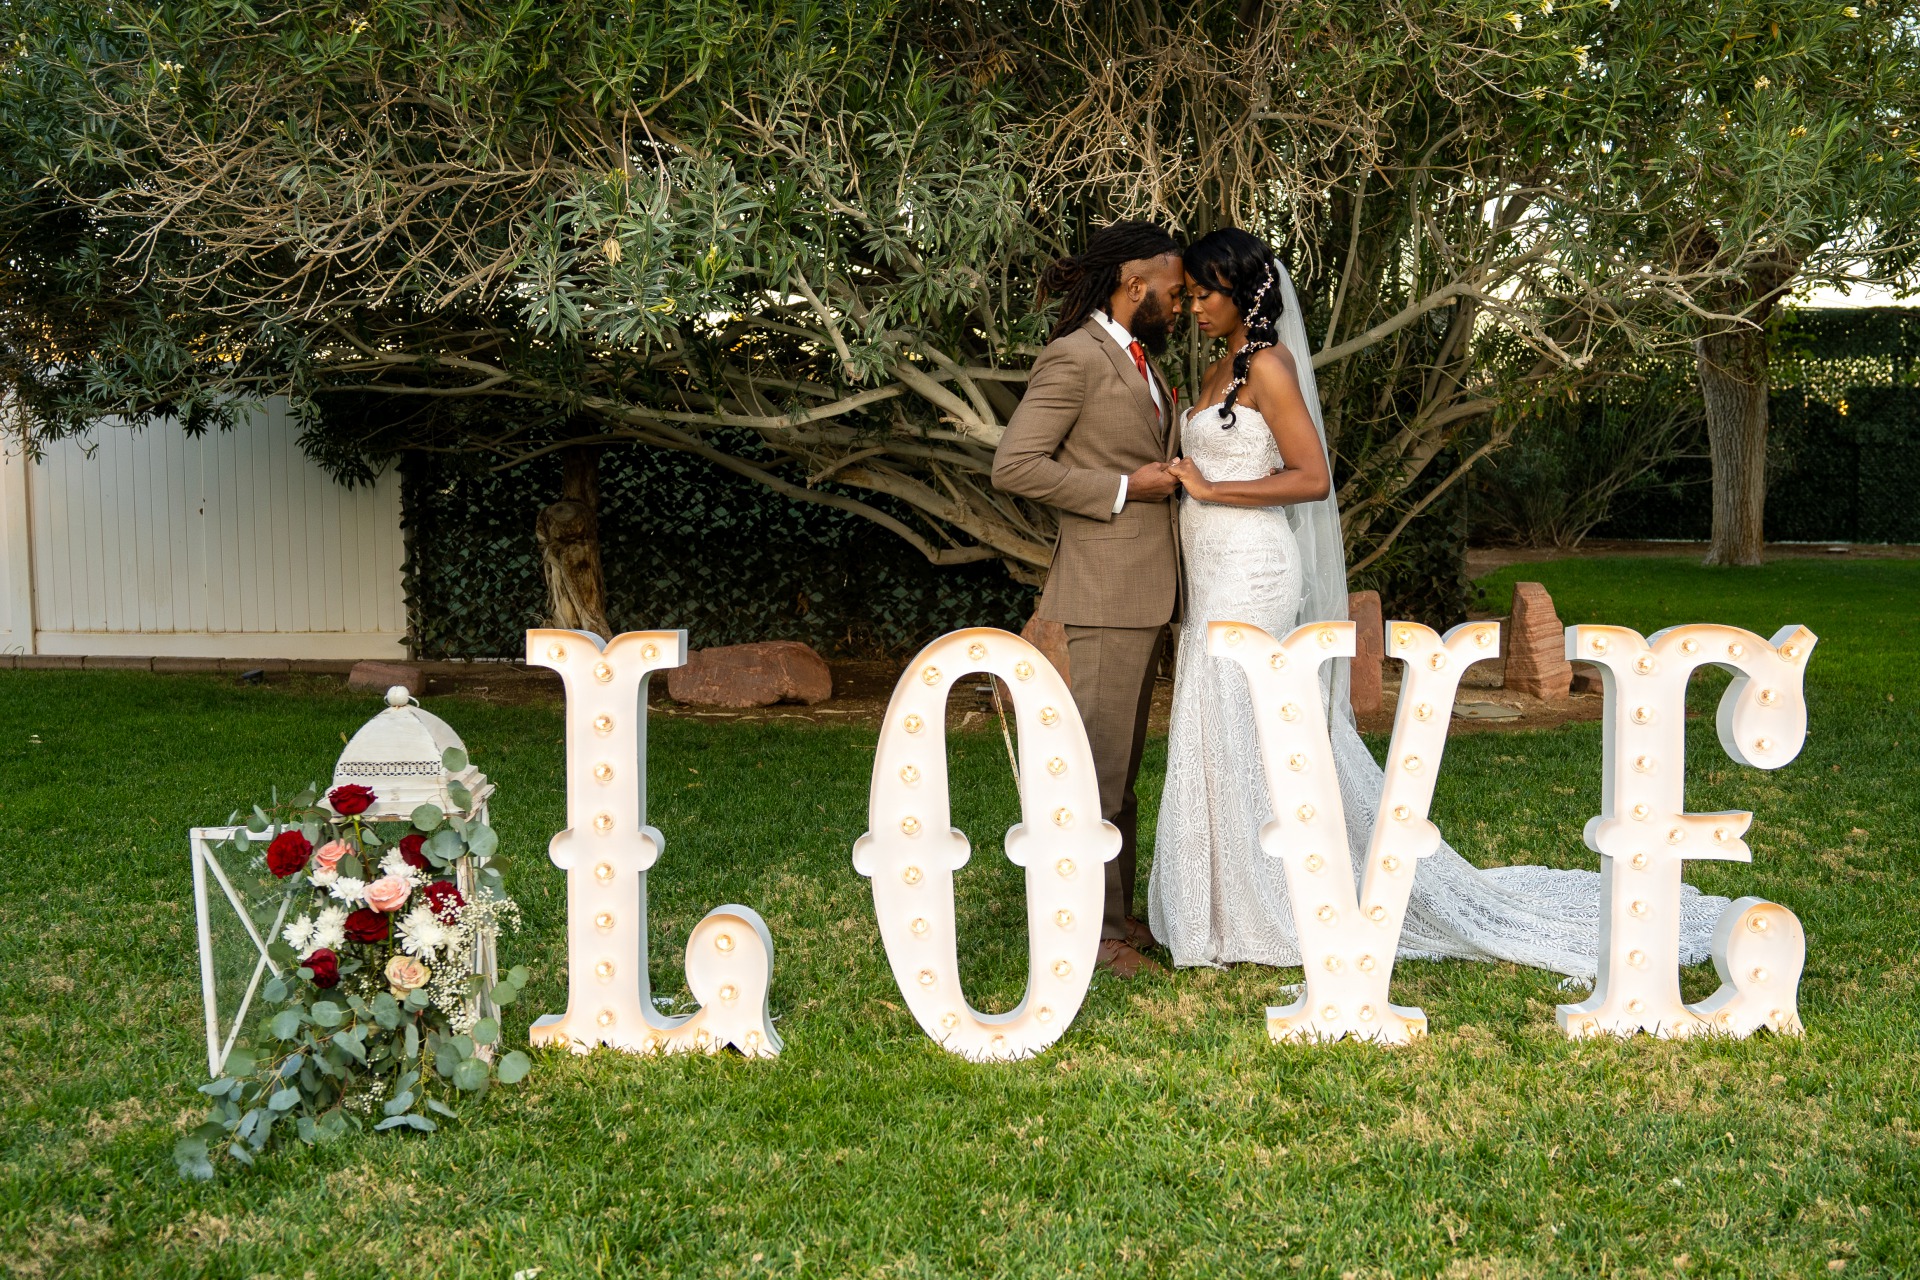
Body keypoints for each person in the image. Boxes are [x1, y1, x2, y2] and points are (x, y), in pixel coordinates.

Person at [1146, 227, 1729, 976]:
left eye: (1204, 293)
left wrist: (1213, 487)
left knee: (1255, 719)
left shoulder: (1268, 365)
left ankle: (1277, 901)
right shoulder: (1217, 365)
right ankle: (1217, 906)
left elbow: (1311, 476)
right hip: (1212, 567)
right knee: (1218, 716)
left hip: (1254, 568)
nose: (1192, 306)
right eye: (1190, 294)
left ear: (1245, 293)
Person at [991, 221, 1186, 979]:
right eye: (1172, 293)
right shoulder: (1074, 358)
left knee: (1121, 769)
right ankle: (1090, 934)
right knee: (1097, 770)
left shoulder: (1141, 365)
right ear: (1134, 286)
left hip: (1145, 592)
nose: (1179, 306)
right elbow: (1016, 466)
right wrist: (1123, 488)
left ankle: (1117, 915)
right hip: (1103, 592)